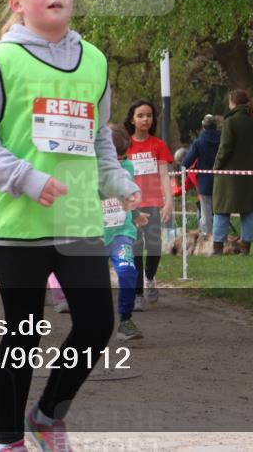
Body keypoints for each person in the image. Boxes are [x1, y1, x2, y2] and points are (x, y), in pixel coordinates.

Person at [0, 0, 140, 452]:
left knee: (96, 323)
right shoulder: (1, 60)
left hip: (79, 218)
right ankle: (8, 440)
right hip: (17, 221)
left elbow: (100, 136)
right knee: (23, 334)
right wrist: (26, 179)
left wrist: (119, 183)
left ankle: (47, 415)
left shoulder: (97, 60)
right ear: (18, 2)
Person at [123, 99, 173, 310]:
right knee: (135, 248)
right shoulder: (126, 146)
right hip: (132, 205)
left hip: (153, 203)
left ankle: (150, 277)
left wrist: (169, 201)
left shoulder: (158, 145)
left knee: (153, 246)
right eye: (140, 115)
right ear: (132, 119)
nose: (145, 119)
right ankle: (137, 294)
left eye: (149, 115)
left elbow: (164, 175)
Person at [104, 124, 147, 342]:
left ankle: (125, 320)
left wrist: (136, 212)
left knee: (128, 271)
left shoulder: (128, 167)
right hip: (94, 235)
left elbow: (127, 194)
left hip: (122, 232)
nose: (120, 162)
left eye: (123, 157)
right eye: (116, 159)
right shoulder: (90, 169)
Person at [211, 90, 253, 256]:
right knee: (247, 210)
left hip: (228, 173)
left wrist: (216, 166)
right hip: (248, 171)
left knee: (221, 209)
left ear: (232, 103)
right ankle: (245, 247)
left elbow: (225, 147)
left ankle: (218, 248)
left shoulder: (230, 121)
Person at [182, 114, 221, 240]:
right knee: (220, 211)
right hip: (221, 179)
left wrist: (182, 167)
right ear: (215, 126)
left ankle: (208, 238)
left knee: (206, 212)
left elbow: (188, 159)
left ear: (203, 126)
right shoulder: (223, 139)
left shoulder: (199, 142)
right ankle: (220, 237)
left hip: (205, 181)